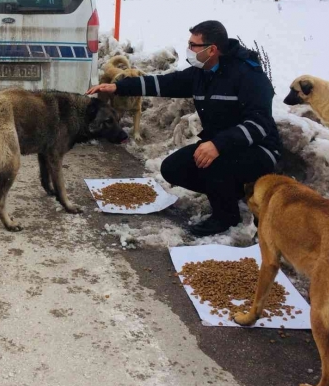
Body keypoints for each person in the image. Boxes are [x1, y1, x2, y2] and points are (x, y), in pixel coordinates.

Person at [87, 20, 283, 237]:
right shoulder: (202, 72)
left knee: (214, 163)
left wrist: (218, 144)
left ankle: (226, 216)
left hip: (259, 149)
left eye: (193, 45)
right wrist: (118, 87)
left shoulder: (249, 76)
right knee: (173, 168)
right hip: (220, 145)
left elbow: (260, 124)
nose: (188, 50)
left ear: (212, 49)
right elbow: (164, 83)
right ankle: (231, 191)